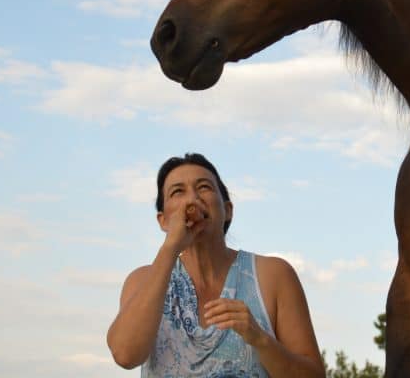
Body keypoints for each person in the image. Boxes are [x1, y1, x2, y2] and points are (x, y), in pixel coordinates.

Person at [107, 153, 326, 377]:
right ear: (163, 221)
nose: (192, 198)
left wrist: (260, 339)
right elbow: (125, 355)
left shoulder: (273, 275)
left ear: (228, 209)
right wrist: (170, 248)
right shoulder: (142, 280)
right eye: (178, 191)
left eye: (204, 187)